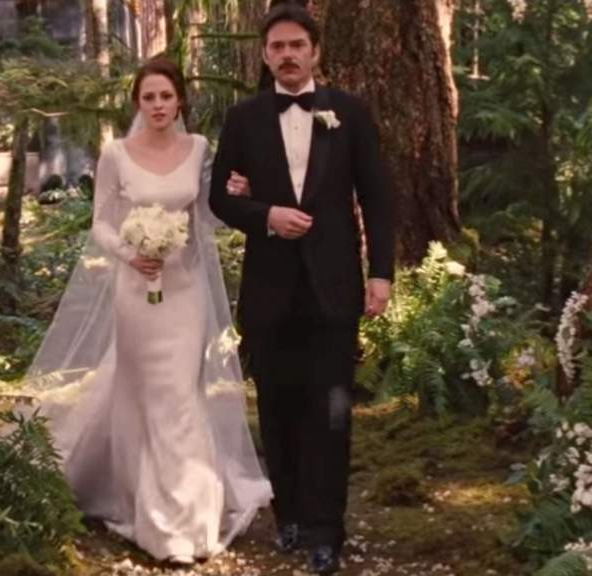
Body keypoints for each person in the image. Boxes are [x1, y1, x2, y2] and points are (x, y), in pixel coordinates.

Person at [25, 57, 272, 564]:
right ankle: (147, 506)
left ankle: (189, 517)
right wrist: (130, 252)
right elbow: (100, 223)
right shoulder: (116, 154)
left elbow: (208, 212)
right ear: (137, 102)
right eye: (148, 97)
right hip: (136, 292)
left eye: (166, 96)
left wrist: (239, 193)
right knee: (144, 395)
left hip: (184, 292)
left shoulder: (198, 148)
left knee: (179, 394)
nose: (158, 105)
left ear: (179, 100)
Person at [210, 5, 394, 575]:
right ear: (265, 56)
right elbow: (220, 198)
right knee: (277, 407)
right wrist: (265, 215)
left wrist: (381, 273)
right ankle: (287, 515)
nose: (287, 55)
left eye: (296, 45)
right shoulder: (243, 118)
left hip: (333, 289)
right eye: (277, 46)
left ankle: (326, 530)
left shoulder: (350, 113)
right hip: (269, 292)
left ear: (315, 51)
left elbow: (377, 197)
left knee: (332, 413)